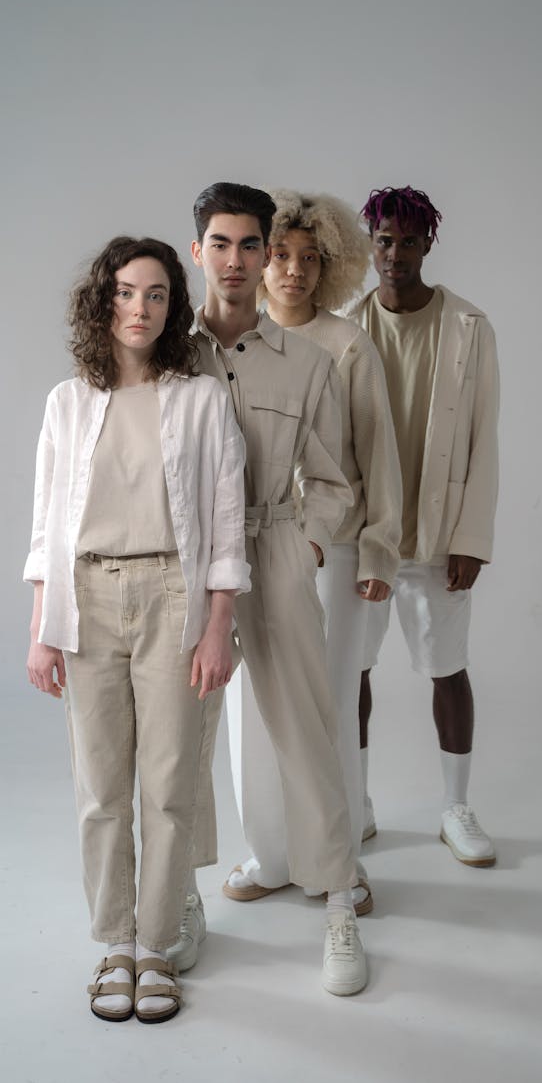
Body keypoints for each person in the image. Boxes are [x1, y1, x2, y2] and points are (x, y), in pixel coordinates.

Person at [24, 236, 251, 1023]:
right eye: (127, 292)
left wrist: (219, 622)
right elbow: (46, 525)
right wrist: (41, 627)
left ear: (172, 306)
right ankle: (114, 944)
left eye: (156, 294)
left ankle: (157, 946)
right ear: (103, 299)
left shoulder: (199, 397)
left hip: (171, 596)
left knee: (169, 782)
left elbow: (226, 524)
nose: (141, 308)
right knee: (101, 789)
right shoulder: (67, 401)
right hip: (85, 597)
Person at [169, 181, 368, 997]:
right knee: (179, 735)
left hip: (276, 546)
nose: (240, 260)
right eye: (222, 243)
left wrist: (309, 544)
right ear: (198, 251)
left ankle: (338, 902)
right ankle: (179, 899)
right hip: (187, 559)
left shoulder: (311, 363)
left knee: (310, 730)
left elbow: (333, 478)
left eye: (252, 245)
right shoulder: (169, 357)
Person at [219, 189, 402, 914]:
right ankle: (271, 853)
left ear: (327, 267)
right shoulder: (237, 347)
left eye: (309, 259)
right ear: (260, 261)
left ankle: (338, 862)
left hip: (335, 546)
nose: (293, 271)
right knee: (251, 708)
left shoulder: (347, 345)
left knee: (322, 706)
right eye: (282, 255)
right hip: (250, 549)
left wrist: (375, 550)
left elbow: (375, 459)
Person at [347, 186, 499, 867]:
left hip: (438, 538)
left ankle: (456, 806)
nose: (395, 254)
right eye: (384, 240)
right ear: (369, 244)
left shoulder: (468, 326)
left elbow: (482, 438)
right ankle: (357, 802)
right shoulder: (346, 325)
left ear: (427, 243)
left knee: (449, 670)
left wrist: (472, 538)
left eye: (409, 241)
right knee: (351, 669)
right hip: (365, 538)